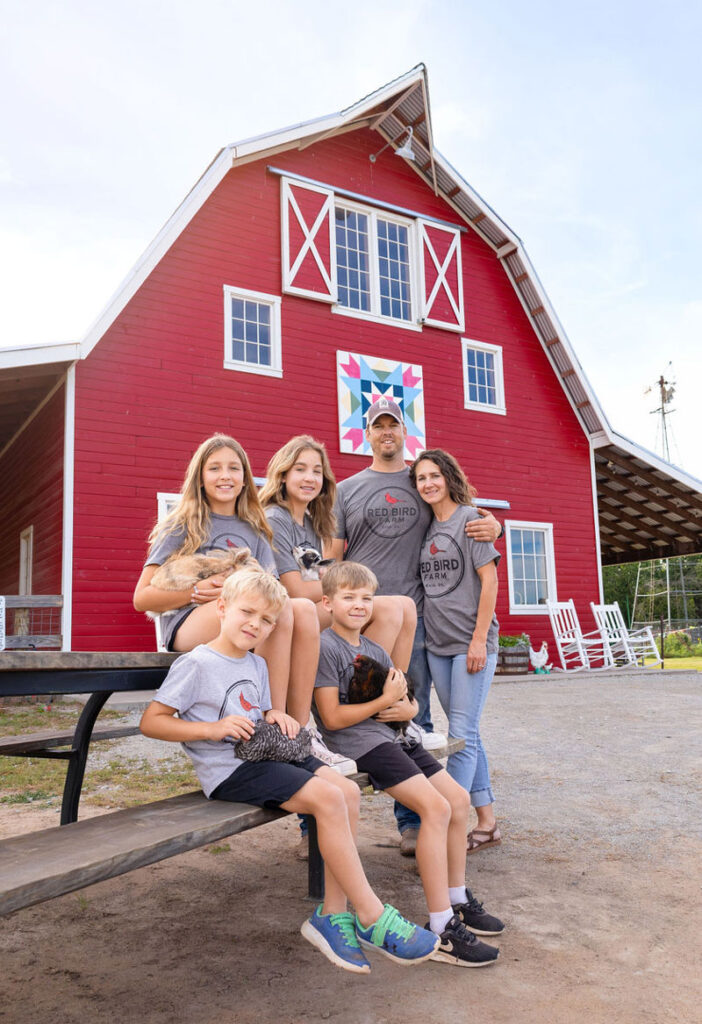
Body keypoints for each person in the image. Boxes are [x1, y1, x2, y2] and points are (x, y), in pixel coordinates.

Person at [139, 569, 439, 974]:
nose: (255, 625)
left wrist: (275, 713)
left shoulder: (256, 664)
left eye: (266, 621)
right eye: (247, 613)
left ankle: (332, 915)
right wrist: (211, 728)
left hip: (266, 754)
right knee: (329, 799)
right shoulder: (198, 664)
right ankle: (370, 914)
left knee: (347, 791)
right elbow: (152, 721)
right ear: (222, 608)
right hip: (231, 769)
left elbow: (261, 711)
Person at [326, 397, 502, 854]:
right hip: (360, 620)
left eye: (394, 425)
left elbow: (462, 512)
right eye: (377, 425)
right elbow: (332, 557)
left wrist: (494, 525)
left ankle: (415, 821)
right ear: (365, 433)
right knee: (346, 713)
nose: (386, 431)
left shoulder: (419, 481)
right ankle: (320, 821)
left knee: (414, 716)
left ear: (405, 433)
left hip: (418, 623)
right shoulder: (346, 490)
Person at [313, 561, 505, 967]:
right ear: (327, 603)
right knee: (433, 808)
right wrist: (385, 703)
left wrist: (410, 705)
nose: (359, 605)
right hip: (359, 744)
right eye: (349, 597)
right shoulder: (324, 647)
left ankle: (456, 899)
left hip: (393, 736)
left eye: (366, 598)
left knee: (455, 799)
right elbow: (330, 718)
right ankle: (441, 927)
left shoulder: (375, 650)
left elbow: (404, 704)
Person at [133, 433, 318, 725]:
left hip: (242, 616)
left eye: (234, 468)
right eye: (215, 468)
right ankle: (271, 719)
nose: (225, 476)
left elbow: (272, 592)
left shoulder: (256, 530)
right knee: (281, 609)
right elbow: (141, 598)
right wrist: (194, 591)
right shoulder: (182, 524)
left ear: (245, 478)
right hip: (190, 621)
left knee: (304, 610)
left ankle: (300, 727)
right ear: (201, 477)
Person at [411, 449, 502, 853]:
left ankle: (450, 826)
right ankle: (488, 821)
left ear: (448, 476)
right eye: (420, 478)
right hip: (437, 646)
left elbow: (490, 581)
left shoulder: (471, 521)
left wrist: (479, 638)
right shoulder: (428, 528)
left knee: (460, 734)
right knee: (469, 734)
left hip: (470, 644)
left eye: (434, 475)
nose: (428, 483)